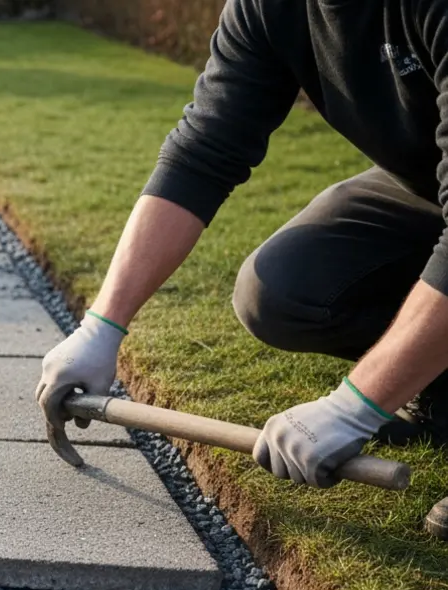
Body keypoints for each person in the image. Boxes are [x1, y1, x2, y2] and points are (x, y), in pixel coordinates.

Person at [34, 0, 448, 525]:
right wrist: (101, 326)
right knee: (283, 289)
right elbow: (202, 153)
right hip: (426, 186)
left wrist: (357, 405)